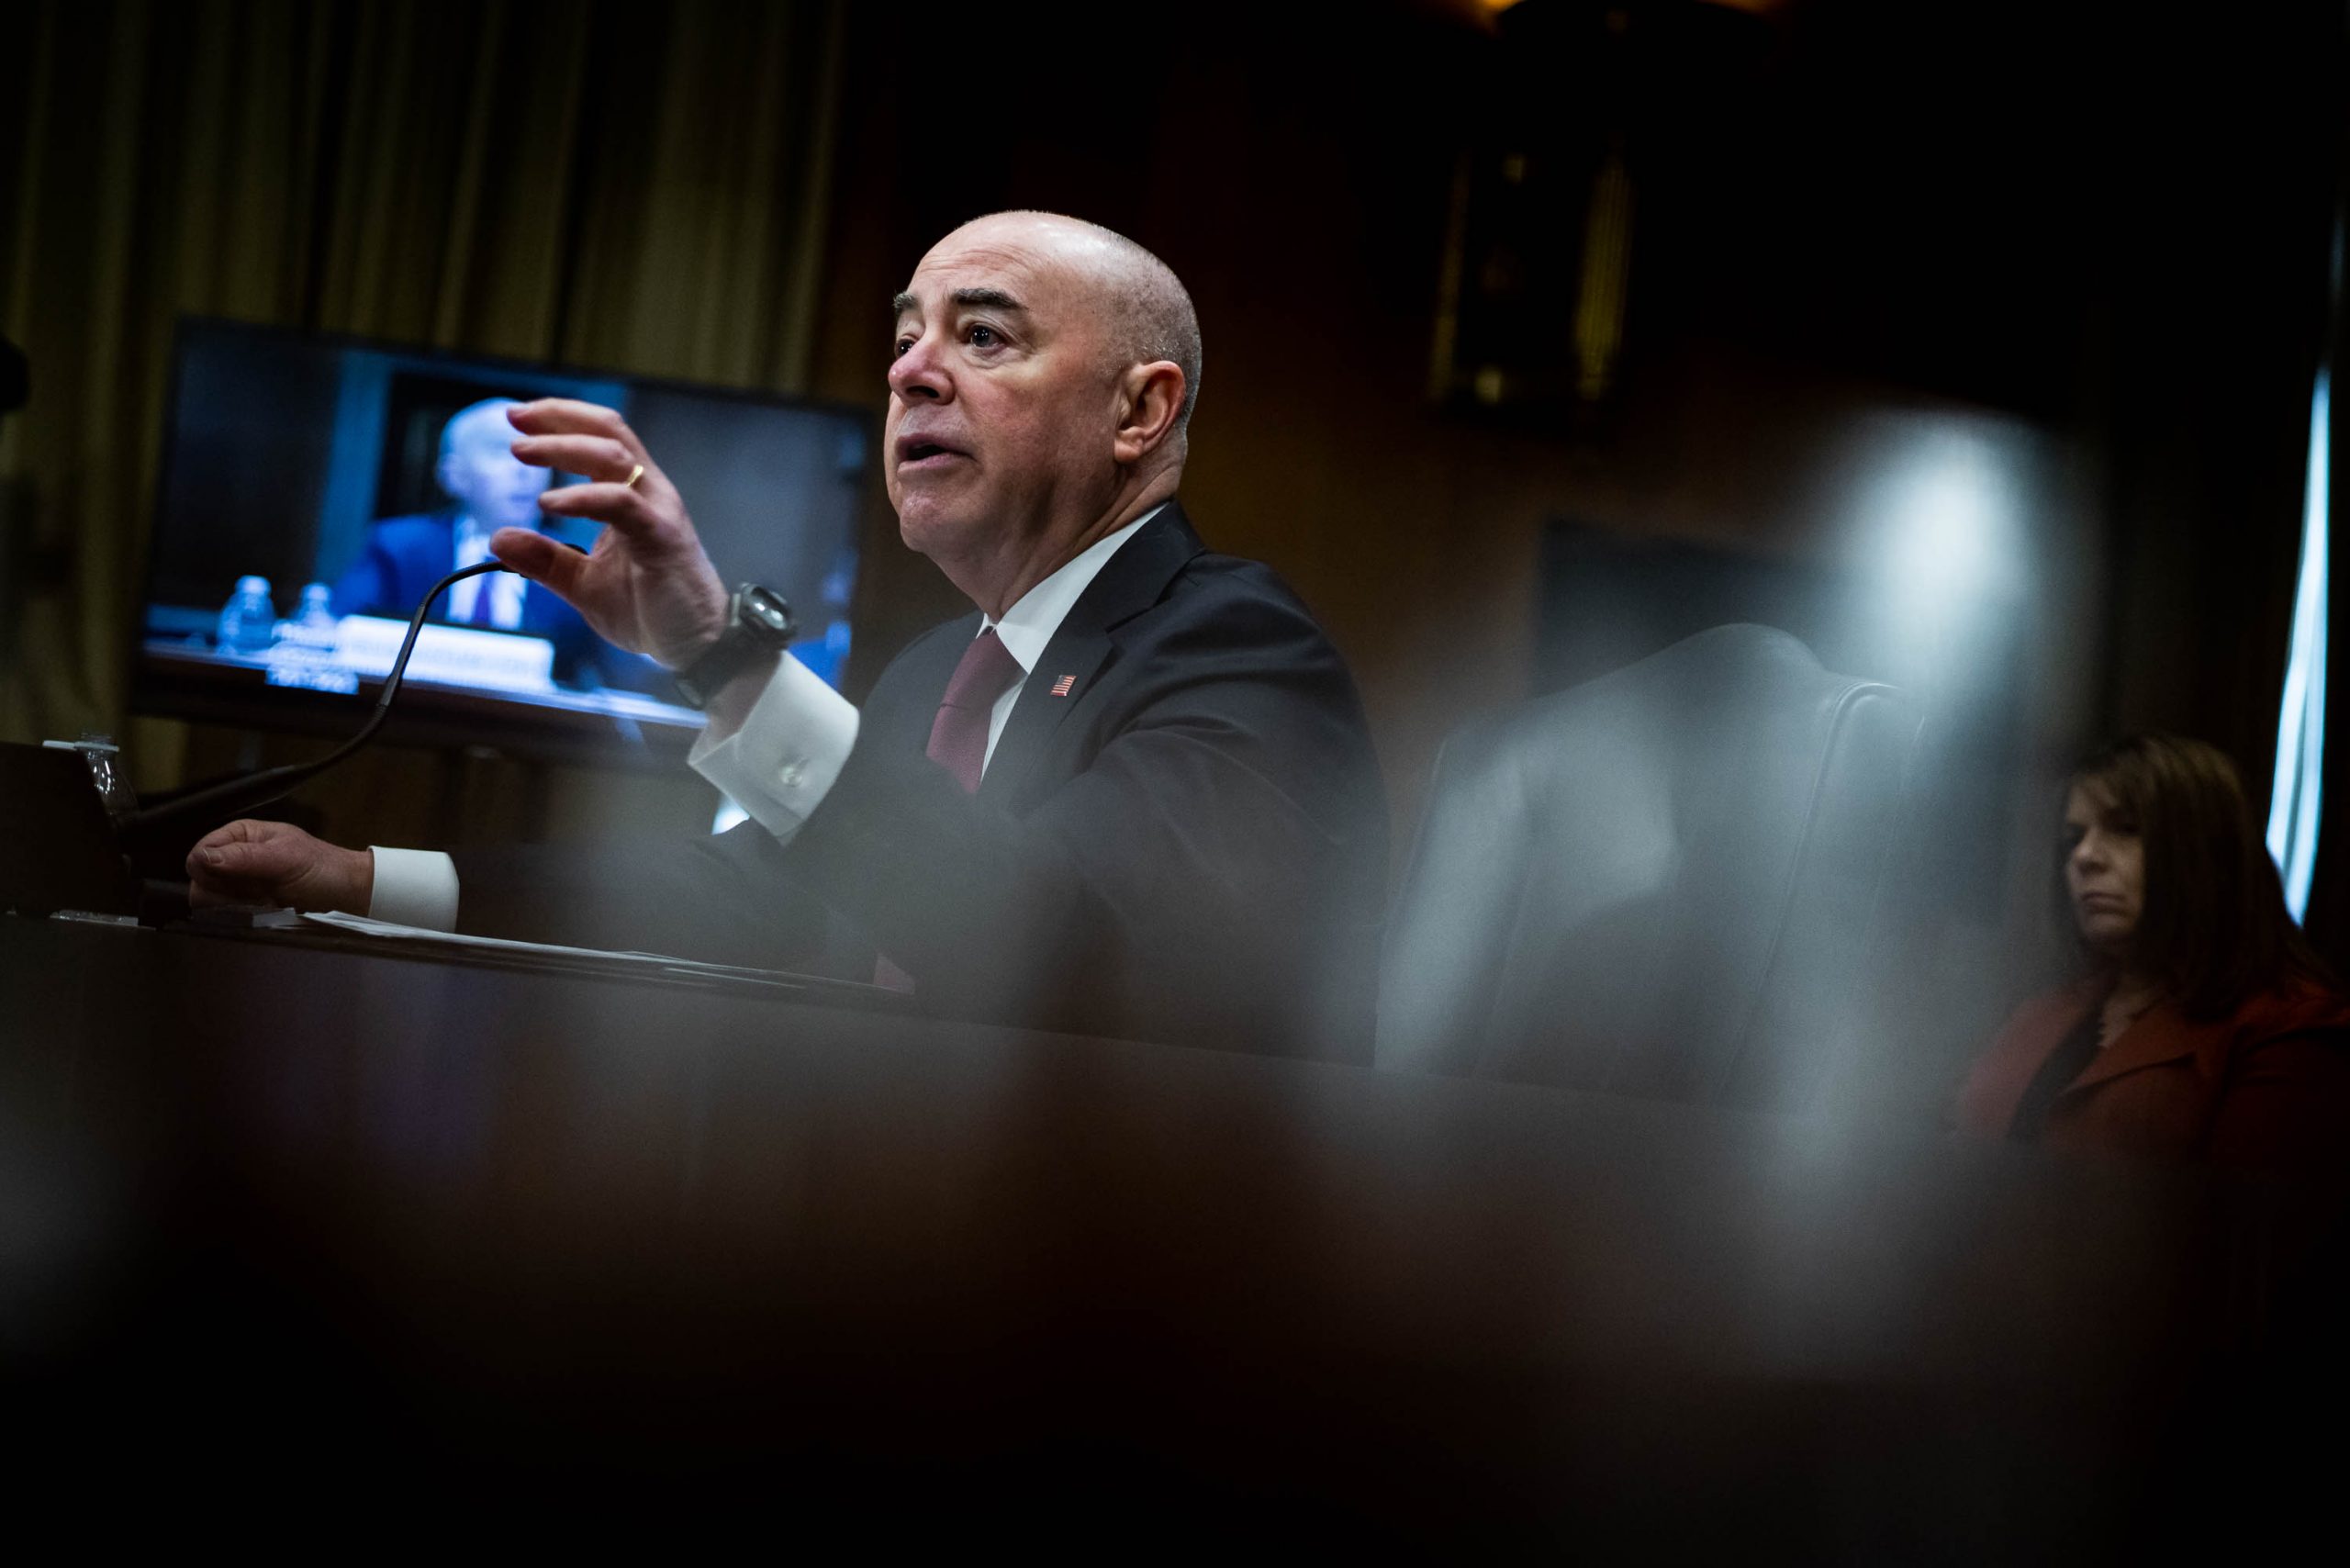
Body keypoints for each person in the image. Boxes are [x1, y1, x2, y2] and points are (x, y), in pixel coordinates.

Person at [187, 211, 1390, 1059]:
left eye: (981, 336)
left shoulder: (1241, 653)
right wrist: (365, 880)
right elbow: (748, 894)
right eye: (906, 339)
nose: (911, 373)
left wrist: (722, 658)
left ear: (1140, 409)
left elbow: (1048, 938)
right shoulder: (939, 670)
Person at [1953, 733, 2350, 1168]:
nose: (2084, 857)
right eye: (2073, 838)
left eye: (2126, 828)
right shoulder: (2046, 1007)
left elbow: (2249, 1206)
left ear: (2206, 852)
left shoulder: (2289, 1025)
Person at [333, 397, 662, 693]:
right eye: (503, 451)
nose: (524, 470)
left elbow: (630, 676)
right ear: (454, 475)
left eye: (536, 455)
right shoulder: (399, 547)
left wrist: (646, 602)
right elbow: (337, 635)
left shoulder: (581, 561)